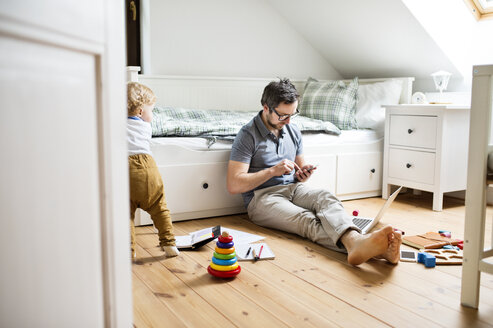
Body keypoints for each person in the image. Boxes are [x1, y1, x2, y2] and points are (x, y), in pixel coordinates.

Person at [226, 78, 401, 265]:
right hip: (261, 198)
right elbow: (234, 184)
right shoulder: (247, 135)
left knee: (325, 196)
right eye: (283, 115)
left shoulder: (292, 130)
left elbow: (299, 172)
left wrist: (303, 174)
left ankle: (363, 245)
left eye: (293, 114)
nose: (288, 121)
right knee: (307, 220)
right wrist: (271, 172)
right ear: (266, 107)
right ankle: (370, 249)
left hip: (292, 189)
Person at [127, 82, 179, 259]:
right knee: (160, 208)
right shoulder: (146, 126)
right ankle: (169, 243)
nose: (153, 114)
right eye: (152, 110)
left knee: (125, 216)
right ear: (141, 112)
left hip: (124, 173)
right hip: (148, 169)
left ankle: (128, 251)